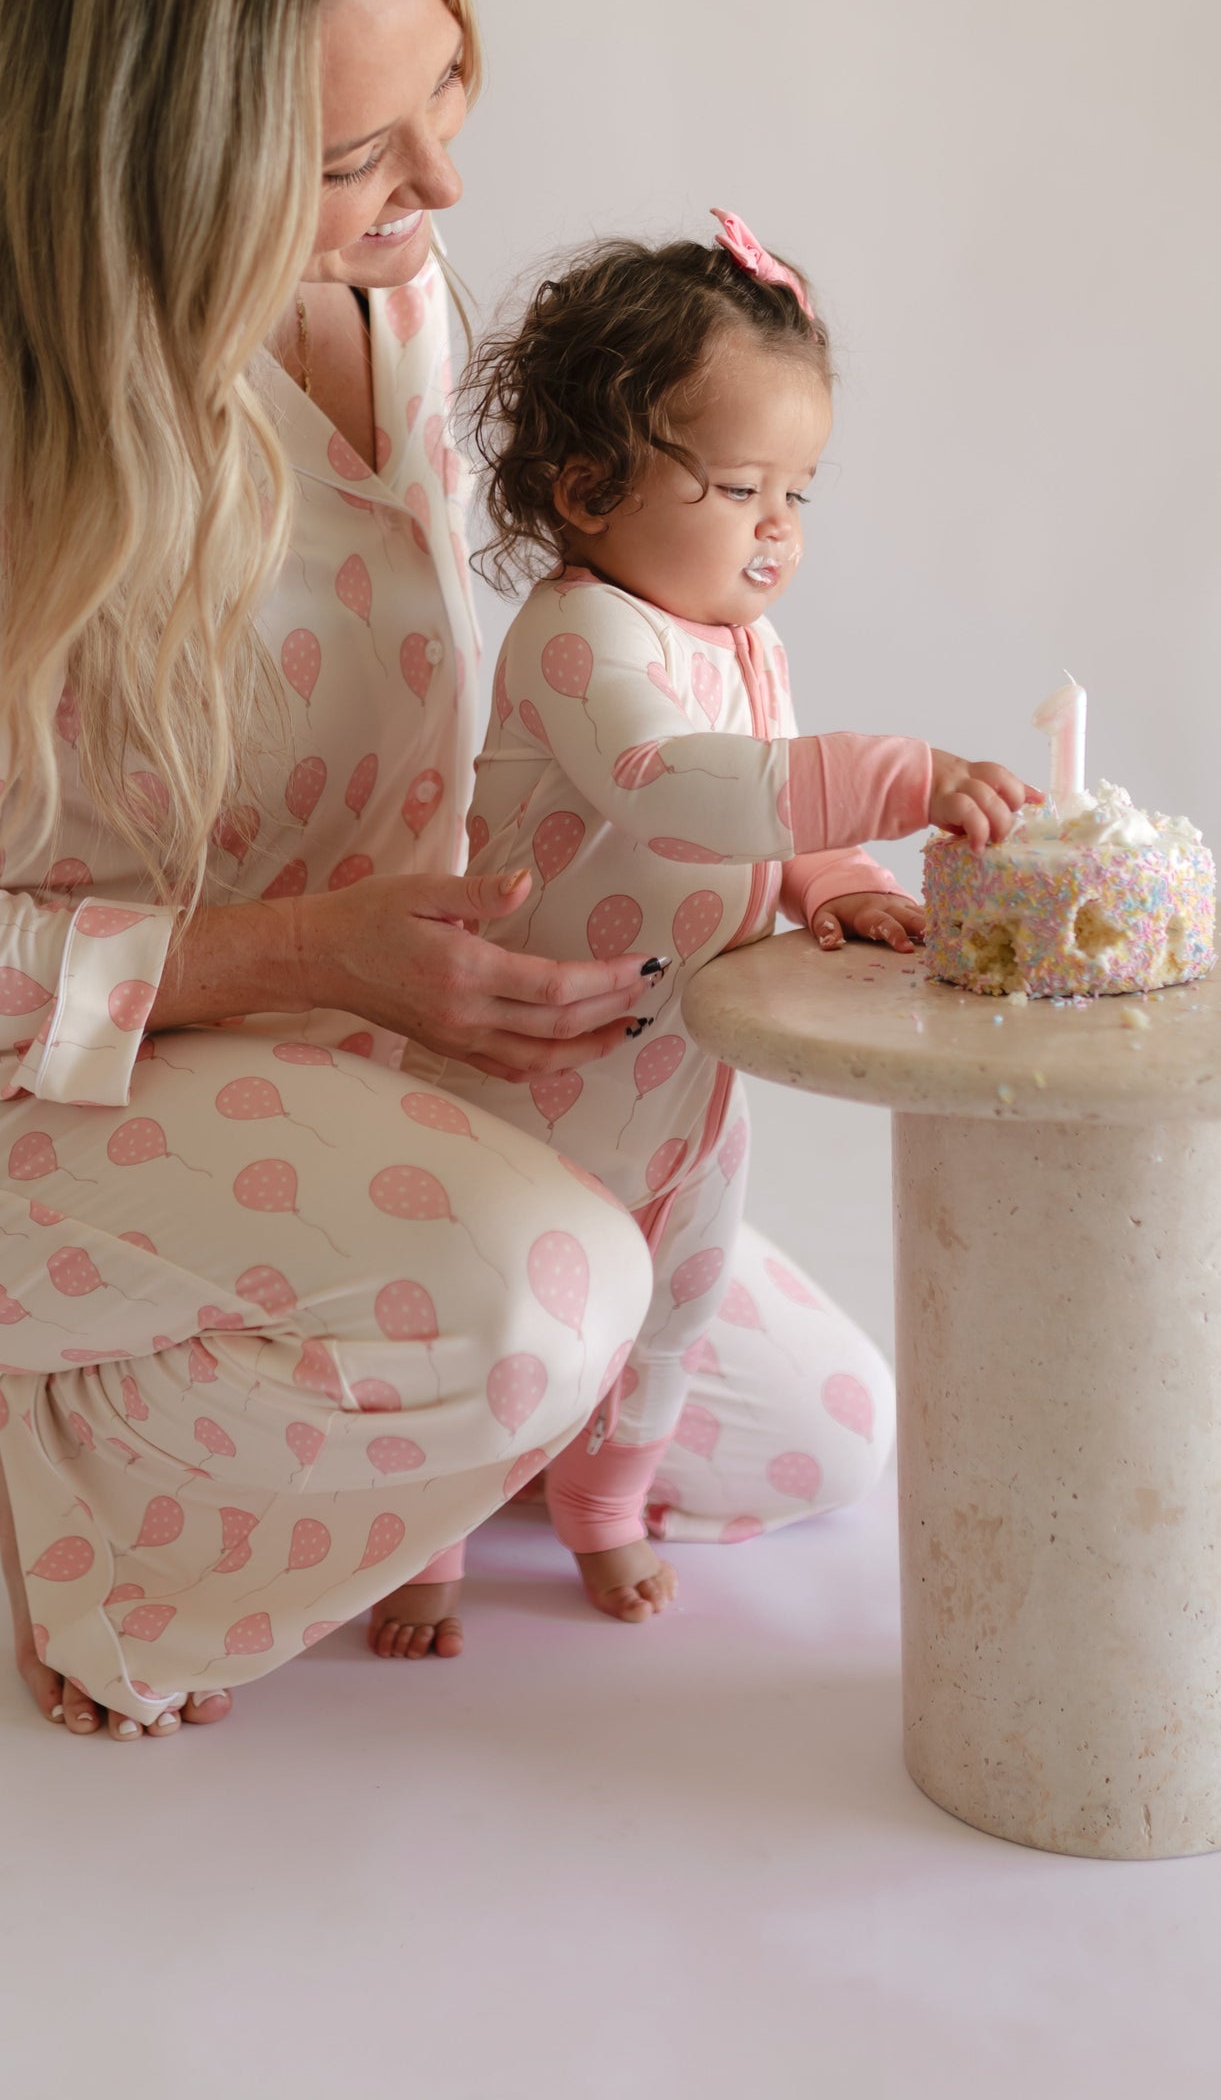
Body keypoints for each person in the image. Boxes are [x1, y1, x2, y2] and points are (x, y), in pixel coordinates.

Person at [0, 0, 660, 1737]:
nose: (439, 192)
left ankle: (313, 1393)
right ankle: (86, 1502)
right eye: (364, 151)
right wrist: (311, 956)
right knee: (547, 1311)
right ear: (168, 169)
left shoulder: (391, 297)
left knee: (776, 1446)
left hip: (335, 1032)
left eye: (452, 94)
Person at [413, 213, 1036, 1624]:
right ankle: (424, 1537)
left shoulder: (745, 646)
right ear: (585, 490)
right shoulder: (580, 637)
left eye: (799, 493)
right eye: (741, 484)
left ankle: (599, 1502)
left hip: (679, 1098)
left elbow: (776, 819)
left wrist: (849, 883)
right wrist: (898, 774)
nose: (776, 529)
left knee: (673, 1316)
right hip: (526, 1097)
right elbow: (677, 790)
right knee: (489, 1323)